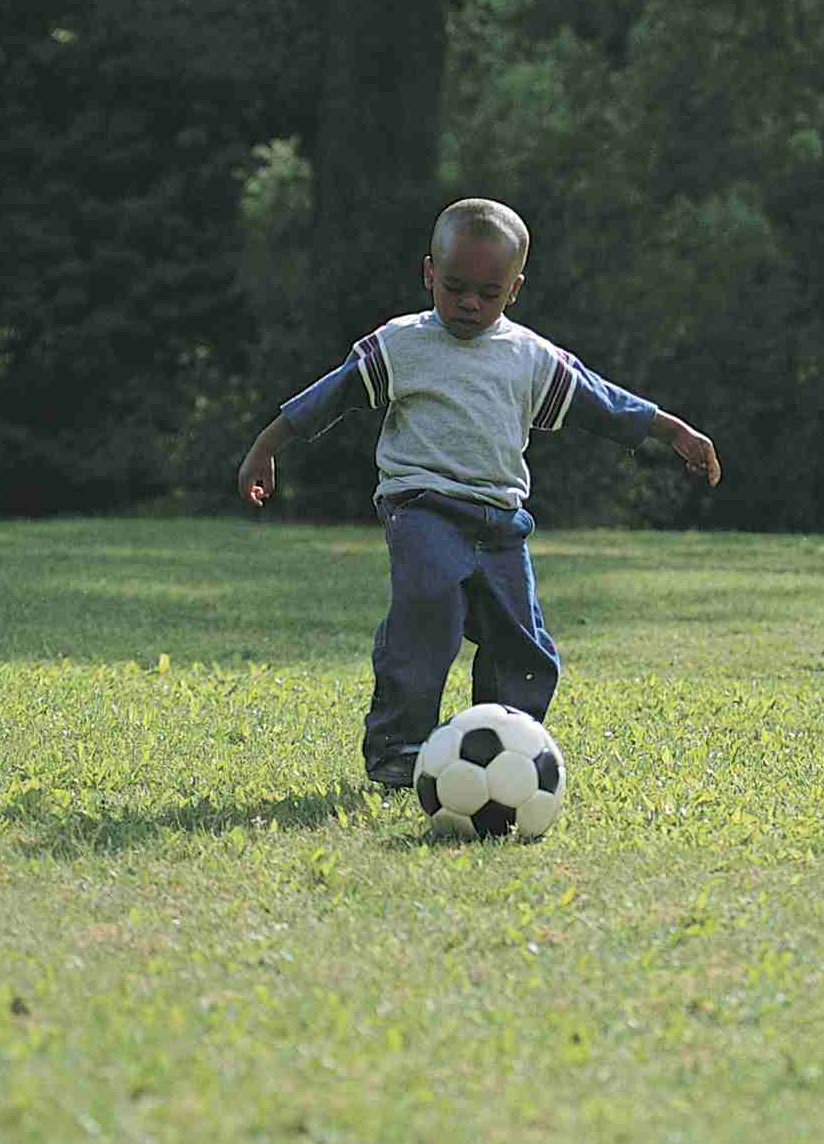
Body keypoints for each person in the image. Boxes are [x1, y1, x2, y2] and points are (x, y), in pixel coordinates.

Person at [234, 197, 721, 789]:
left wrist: (674, 431)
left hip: (501, 522)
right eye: (455, 286)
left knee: (524, 644)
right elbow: (330, 396)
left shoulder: (531, 358)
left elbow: (602, 401)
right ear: (429, 273)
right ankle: (399, 749)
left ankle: (504, 745)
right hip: (422, 507)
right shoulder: (401, 345)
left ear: (514, 289)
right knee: (429, 614)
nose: (469, 303)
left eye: (488, 293)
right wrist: (267, 444)